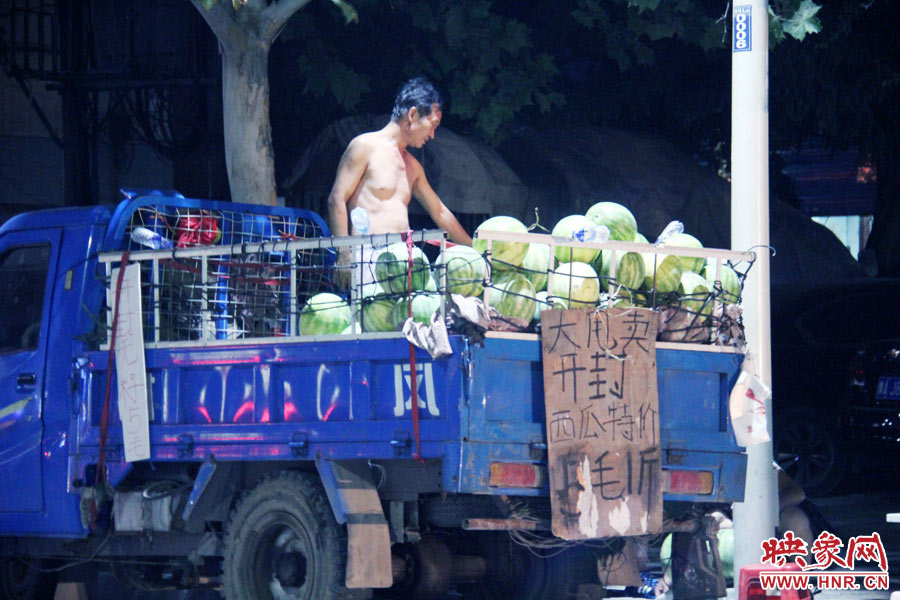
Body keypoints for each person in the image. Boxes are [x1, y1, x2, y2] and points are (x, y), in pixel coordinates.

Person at [327, 77, 472, 288]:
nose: (432, 135)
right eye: (432, 125)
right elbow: (337, 199)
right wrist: (344, 254)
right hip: (369, 258)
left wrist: (474, 248)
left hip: (405, 259)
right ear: (413, 114)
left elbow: (440, 212)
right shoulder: (365, 146)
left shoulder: (413, 167)